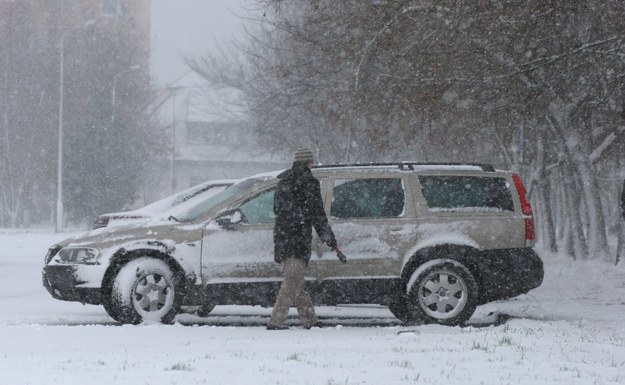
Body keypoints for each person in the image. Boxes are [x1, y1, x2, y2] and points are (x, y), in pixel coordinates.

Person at [267, 148, 347, 330]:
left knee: (296, 281)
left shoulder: (283, 181)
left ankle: (310, 320)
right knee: (291, 282)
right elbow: (317, 215)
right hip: (298, 239)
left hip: (283, 238)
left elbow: (276, 210)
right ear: (309, 163)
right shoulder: (309, 182)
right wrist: (330, 239)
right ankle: (275, 322)